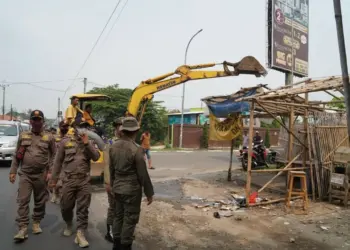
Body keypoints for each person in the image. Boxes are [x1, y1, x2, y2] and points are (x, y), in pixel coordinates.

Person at [50, 122, 100, 248]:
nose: (83, 129)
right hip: (68, 180)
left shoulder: (90, 142)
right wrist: (54, 179)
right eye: (80, 127)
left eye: (85, 127)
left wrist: (87, 143)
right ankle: (68, 223)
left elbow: (96, 157)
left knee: (83, 208)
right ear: (75, 128)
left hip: (84, 180)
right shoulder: (65, 142)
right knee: (66, 206)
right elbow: (58, 162)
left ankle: (81, 232)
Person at [9, 110, 56, 242]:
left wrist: (51, 172)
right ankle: (23, 227)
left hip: (41, 174)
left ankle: (36, 221)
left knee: (40, 200)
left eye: (39, 119)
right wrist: (13, 171)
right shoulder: (24, 136)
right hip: (25, 174)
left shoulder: (49, 137)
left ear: (43, 121)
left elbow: (54, 156)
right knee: (23, 200)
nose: (36, 122)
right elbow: (17, 155)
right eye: (34, 119)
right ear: (30, 121)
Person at [110, 117, 154, 250]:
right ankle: (125, 246)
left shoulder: (113, 146)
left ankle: (116, 245)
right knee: (130, 220)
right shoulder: (137, 150)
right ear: (136, 131)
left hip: (117, 188)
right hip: (131, 191)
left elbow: (111, 170)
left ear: (122, 130)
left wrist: (112, 185)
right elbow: (142, 174)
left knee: (118, 216)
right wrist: (149, 193)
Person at [104, 117, 124, 243]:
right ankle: (110, 232)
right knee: (113, 207)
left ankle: (121, 231)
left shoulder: (129, 142)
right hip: (113, 181)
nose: (121, 128)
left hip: (125, 182)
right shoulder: (110, 143)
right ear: (116, 128)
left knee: (123, 208)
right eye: (119, 126)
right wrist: (108, 183)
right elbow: (106, 164)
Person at [50, 120, 70, 204]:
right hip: (56, 162)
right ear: (59, 127)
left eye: (66, 126)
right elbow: (50, 151)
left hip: (66, 163)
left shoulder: (70, 139)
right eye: (63, 126)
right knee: (56, 180)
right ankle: (55, 193)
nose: (65, 128)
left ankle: (62, 196)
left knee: (62, 182)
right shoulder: (54, 138)